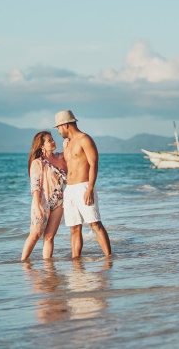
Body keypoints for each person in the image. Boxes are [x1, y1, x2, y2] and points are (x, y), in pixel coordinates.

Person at [54, 110, 112, 258]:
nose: (58, 131)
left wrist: (90, 188)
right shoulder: (66, 143)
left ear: (65, 125)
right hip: (70, 189)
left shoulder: (85, 139)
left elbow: (94, 164)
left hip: (84, 187)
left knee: (94, 223)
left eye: (59, 128)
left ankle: (109, 258)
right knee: (74, 228)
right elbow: (69, 165)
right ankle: (76, 261)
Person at [21, 131, 67, 261]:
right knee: (35, 234)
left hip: (59, 202)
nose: (53, 141)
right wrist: (37, 206)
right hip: (42, 202)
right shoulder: (38, 163)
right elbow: (35, 186)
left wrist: (66, 143)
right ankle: (23, 262)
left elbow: (73, 154)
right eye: (49, 140)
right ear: (41, 146)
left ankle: (48, 267)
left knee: (50, 236)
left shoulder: (60, 158)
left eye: (52, 139)